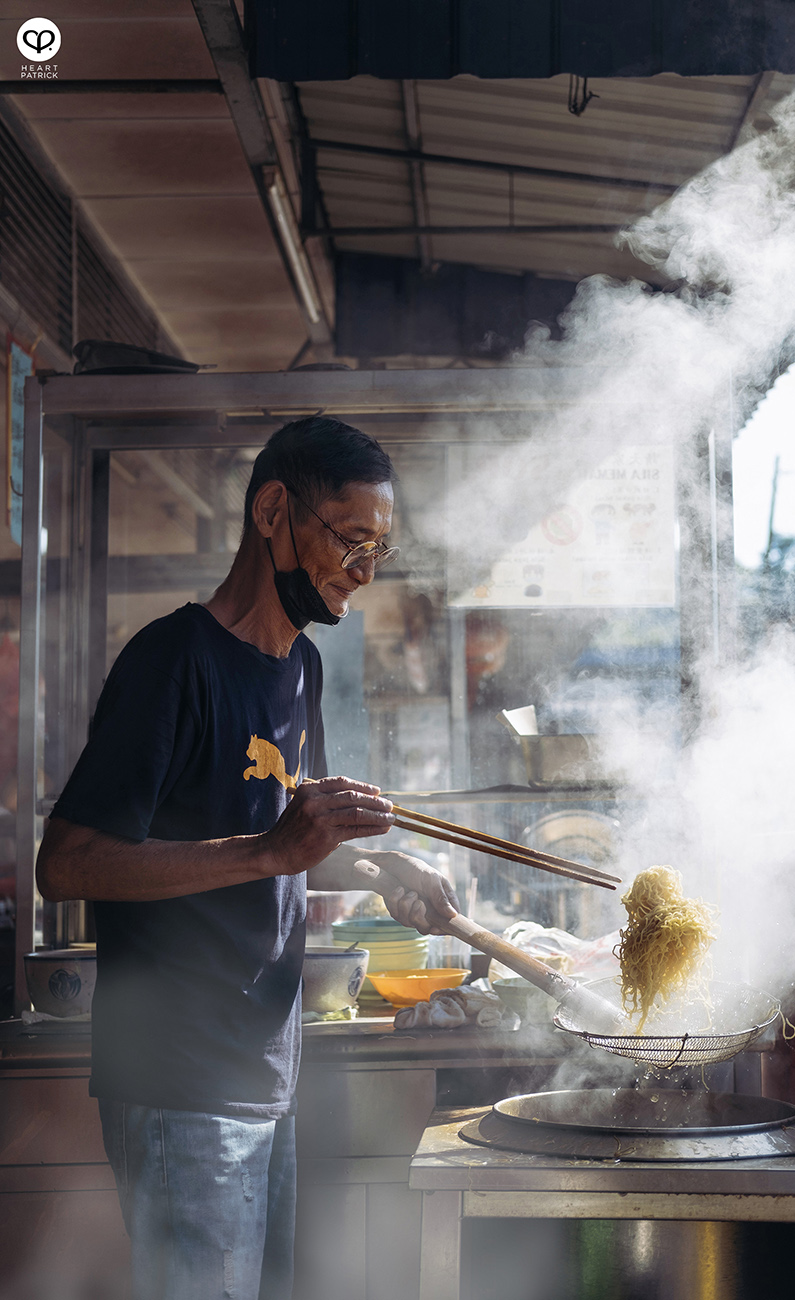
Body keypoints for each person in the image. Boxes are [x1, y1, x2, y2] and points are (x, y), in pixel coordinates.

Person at [35, 416, 460, 1300]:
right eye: (351, 539)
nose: (363, 571)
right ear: (273, 509)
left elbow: (282, 843)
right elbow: (70, 863)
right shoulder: (170, 661)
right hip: (180, 1071)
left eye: (379, 549)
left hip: (264, 1066)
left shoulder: (298, 666)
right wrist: (274, 848)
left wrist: (385, 873)